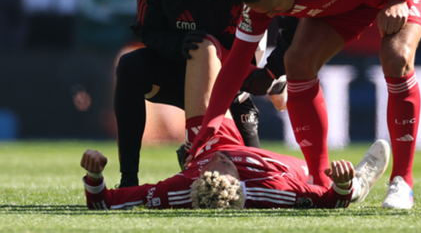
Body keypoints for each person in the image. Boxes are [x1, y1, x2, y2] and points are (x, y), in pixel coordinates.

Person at [192, 0, 421, 210]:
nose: (270, 16)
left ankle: (402, 182)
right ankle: (319, 180)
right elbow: (235, 65)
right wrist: (209, 128)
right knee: (298, 62)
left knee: (396, 57)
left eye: (272, 10)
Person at [82, 39, 390, 210]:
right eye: (224, 165)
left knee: (202, 46)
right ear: (239, 182)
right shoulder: (272, 188)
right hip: (283, 168)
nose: (219, 160)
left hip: (208, 138)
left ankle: (253, 81)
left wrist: (94, 176)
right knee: (321, 181)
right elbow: (328, 202)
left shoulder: (182, 188)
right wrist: (343, 186)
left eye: (208, 167)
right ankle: (360, 186)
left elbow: (106, 202)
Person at [115, 0, 290, 188]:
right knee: (129, 66)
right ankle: (128, 180)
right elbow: (144, 30)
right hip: (178, 72)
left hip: (233, 81)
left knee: (256, 181)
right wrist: (177, 45)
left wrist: (272, 70)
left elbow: (290, 19)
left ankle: (194, 146)